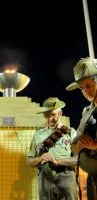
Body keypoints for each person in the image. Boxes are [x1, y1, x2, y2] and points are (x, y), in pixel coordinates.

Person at [27, 97, 78, 200]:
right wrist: (40, 158)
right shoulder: (37, 134)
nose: (50, 118)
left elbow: (78, 158)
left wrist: (58, 162)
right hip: (45, 178)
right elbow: (29, 161)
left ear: (60, 113)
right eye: (46, 115)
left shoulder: (70, 133)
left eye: (53, 114)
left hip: (66, 176)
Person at [66, 57, 97, 199]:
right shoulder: (87, 112)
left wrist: (94, 146)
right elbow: (74, 145)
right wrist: (79, 146)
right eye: (82, 88)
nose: (85, 91)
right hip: (92, 179)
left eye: (89, 85)